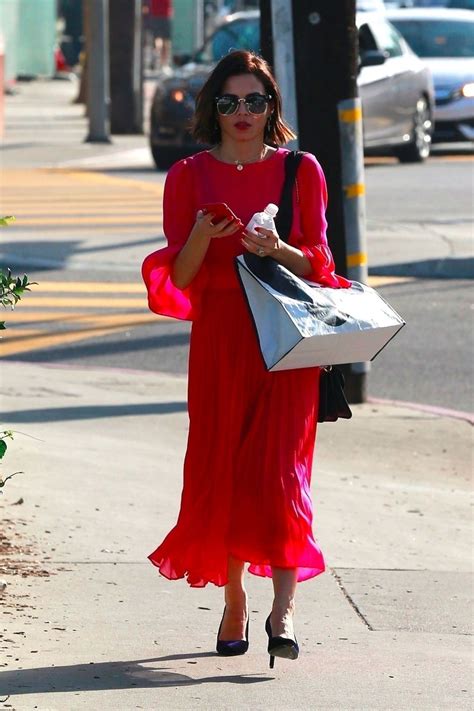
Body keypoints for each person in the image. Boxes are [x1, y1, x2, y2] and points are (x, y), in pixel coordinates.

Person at [142, 50, 349, 668]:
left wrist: (277, 248)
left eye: (254, 101)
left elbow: (323, 264)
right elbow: (178, 278)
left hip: (285, 339)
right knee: (226, 470)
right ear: (213, 107)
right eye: (229, 101)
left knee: (283, 471)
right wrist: (203, 238)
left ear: (270, 108)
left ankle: (282, 610)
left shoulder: (301, 169)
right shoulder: (186, 175)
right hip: (222, 342)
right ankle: (234, 602)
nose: (242, 113)